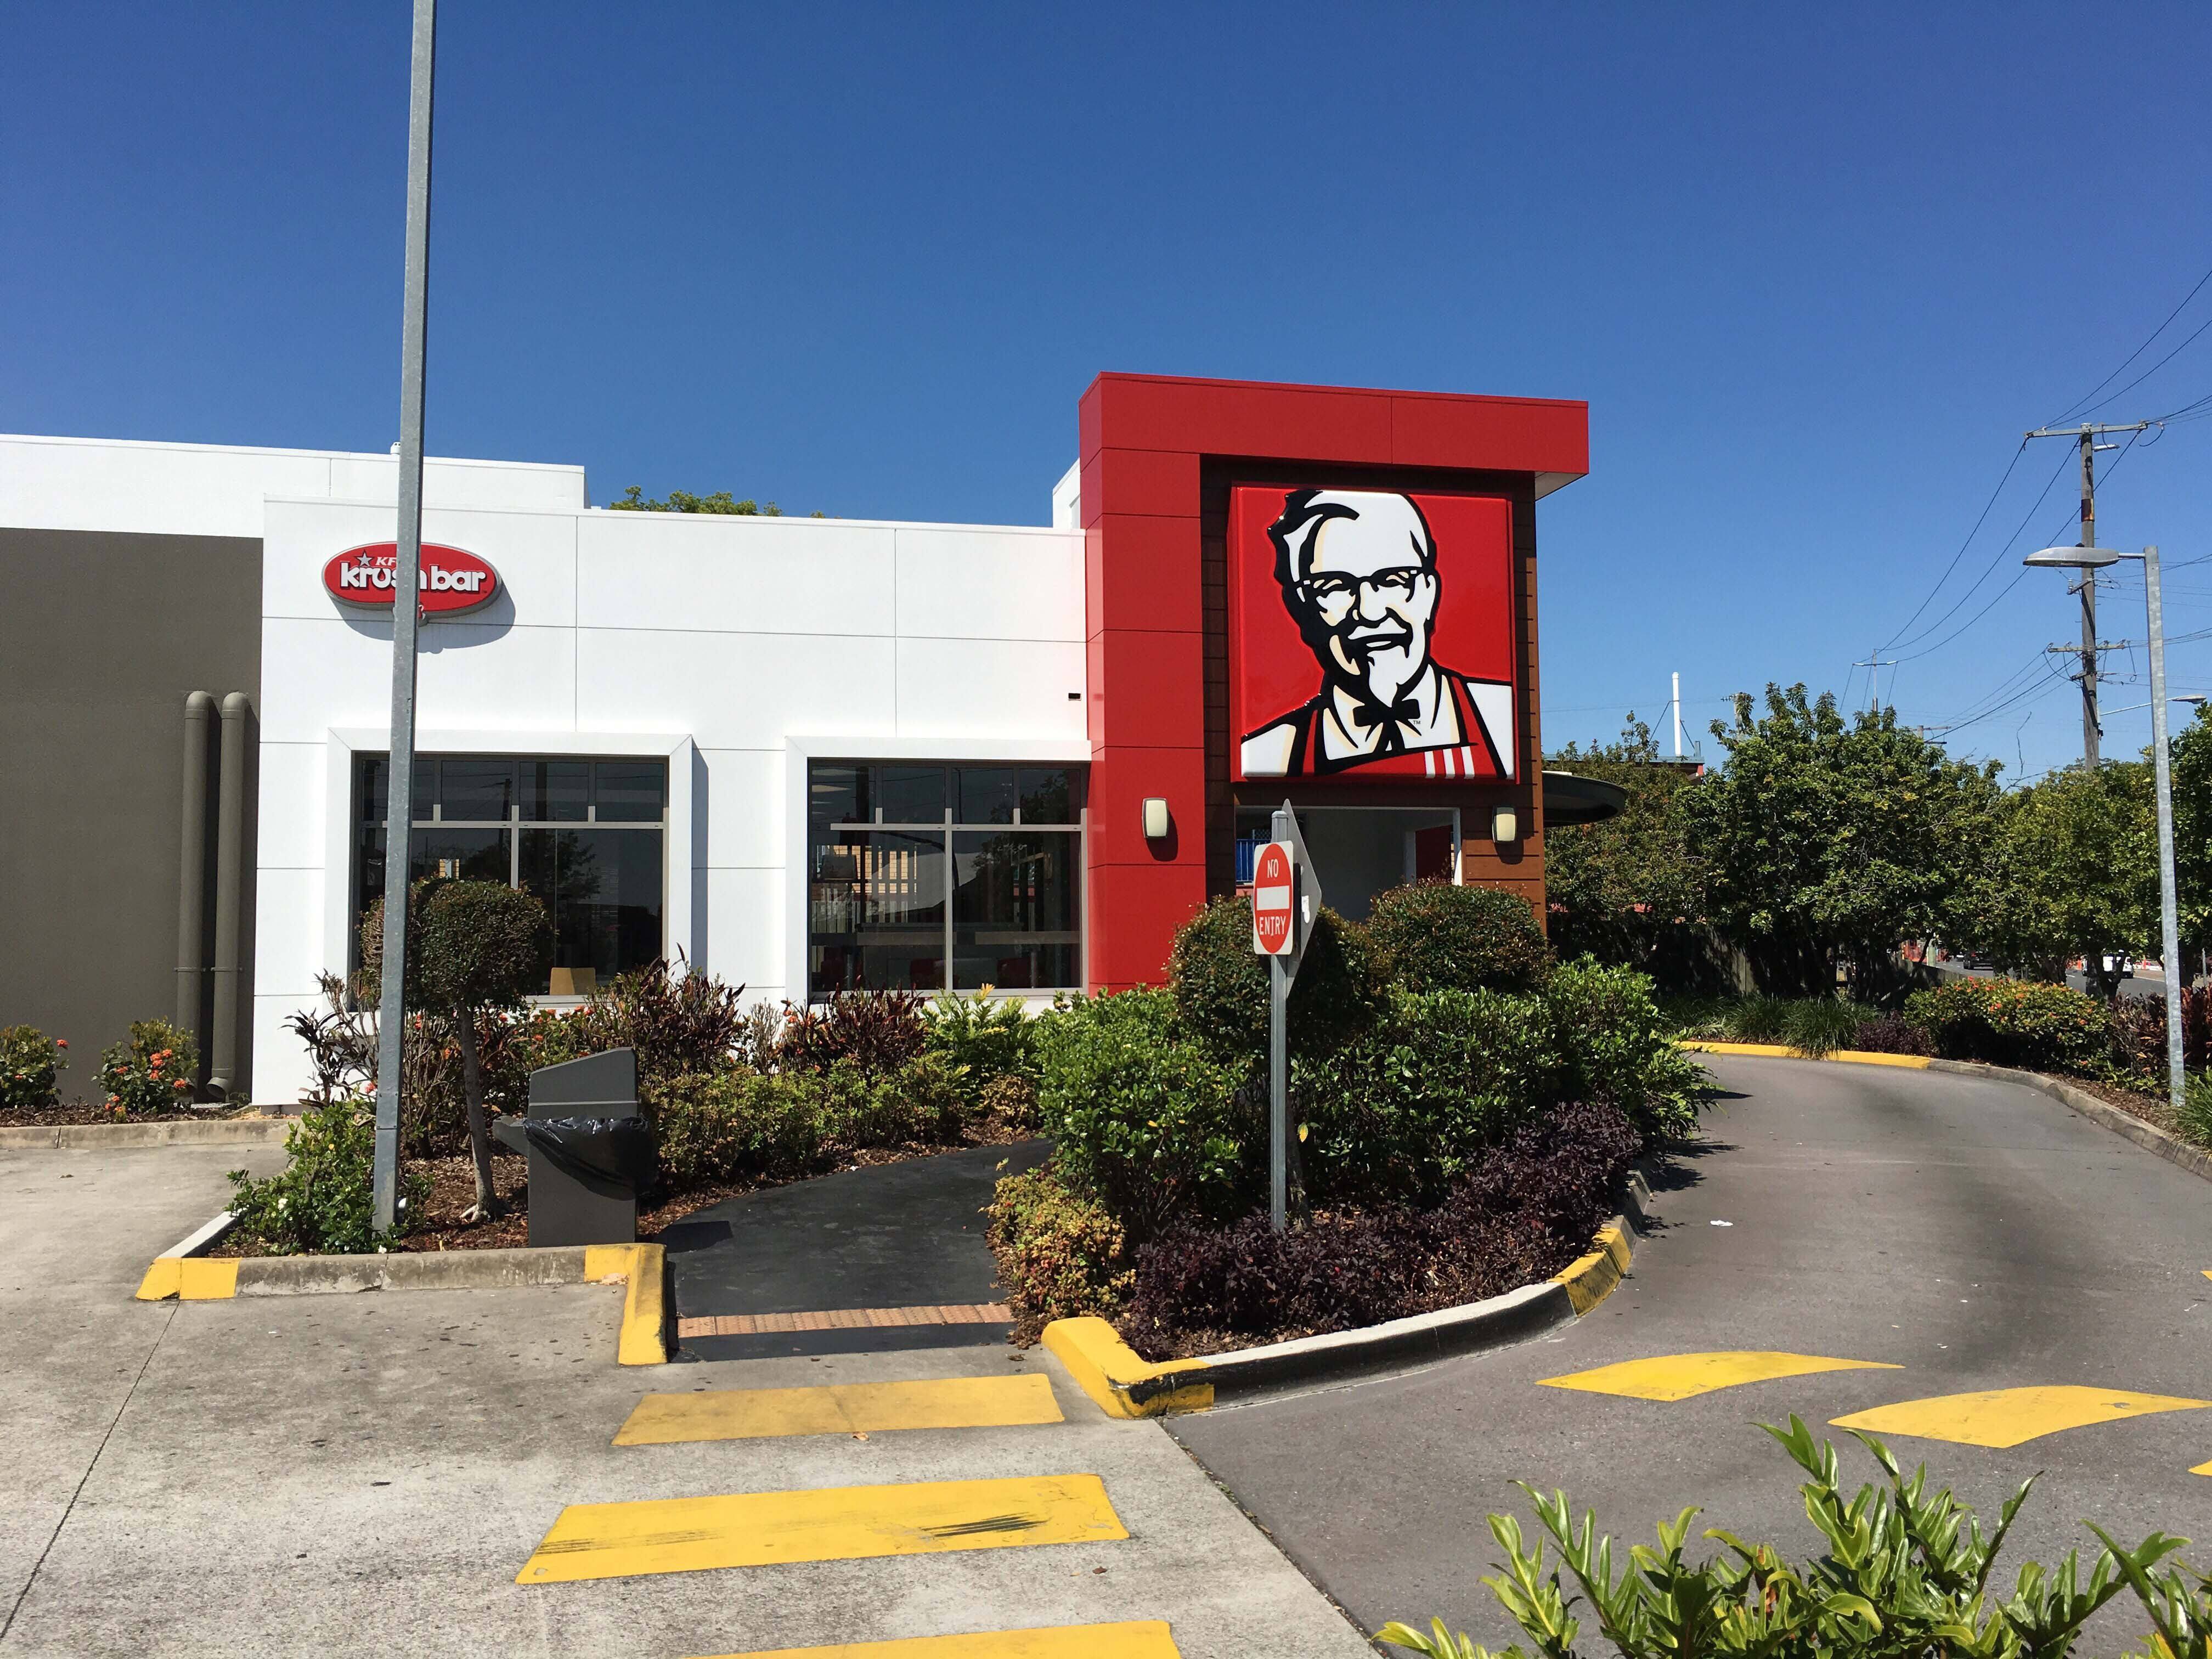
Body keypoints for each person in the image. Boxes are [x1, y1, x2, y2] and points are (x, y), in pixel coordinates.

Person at [1240, 489, 1516, 778]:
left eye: (1393, 580)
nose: (1371, 613)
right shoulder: (1273, 752)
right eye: (1335, 586)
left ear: (1429, 594)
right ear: (1301, 610)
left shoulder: (1498, 719)